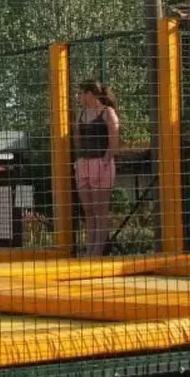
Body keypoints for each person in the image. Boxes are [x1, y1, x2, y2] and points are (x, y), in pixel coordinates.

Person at [74, 81, 121, 257]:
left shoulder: (108, 113)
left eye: (81, 93)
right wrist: (79, 161)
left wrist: (105, 161)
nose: (79, 97)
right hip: (84, 163)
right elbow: (78, 141)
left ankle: (97, 251)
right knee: (88, 209)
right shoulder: (82, 114)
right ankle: (88, 250)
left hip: (102, 163)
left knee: (100, 209)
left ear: (90, 94)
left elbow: (114, 142)